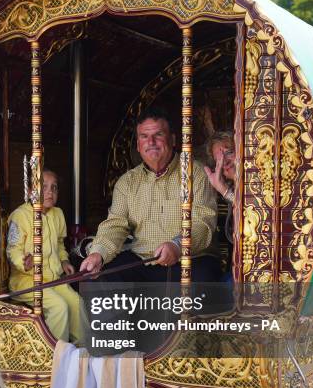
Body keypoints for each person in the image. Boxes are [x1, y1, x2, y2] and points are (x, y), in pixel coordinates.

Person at [80, 107, 220, 282]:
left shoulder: (196, 173)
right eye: (144, 137)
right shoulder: (127, 182)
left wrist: (177, 246)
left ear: (173, 140)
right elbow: (115, 225)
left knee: (204, 280)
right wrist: (98, 254)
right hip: (142, 261)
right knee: (104, 277)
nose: (151, 142)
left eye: (158, 135)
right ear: (138, 145)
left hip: (190, 260)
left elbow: (203, 222)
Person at [6, 170, 84, 344]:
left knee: (76, 303)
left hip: (53, 278)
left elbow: (59, 244)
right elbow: (13, 250)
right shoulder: (21, 215)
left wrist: (64, 261)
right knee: (59, 307)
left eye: (54, 188)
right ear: (33, 190)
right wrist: (23, 262)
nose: (50, 192)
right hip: (27, 280)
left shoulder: (58, 214)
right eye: (44, 187)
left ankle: (81, 350)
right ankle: (57, 356)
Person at [204, 131, 235, 244]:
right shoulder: (231, 188)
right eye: (219, 161)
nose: (225, 162)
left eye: (229, 153)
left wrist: (225, 191)